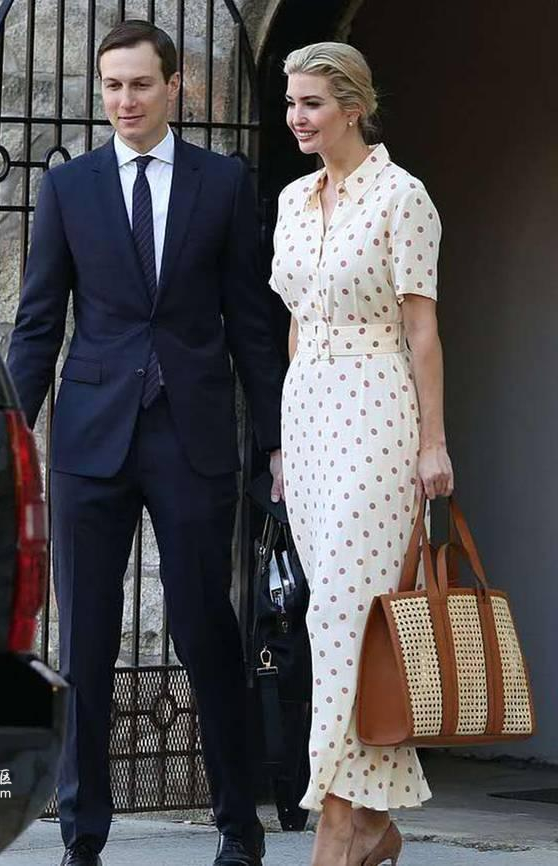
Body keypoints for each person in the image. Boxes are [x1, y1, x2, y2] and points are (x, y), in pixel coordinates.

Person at [8, 19, 284, 866]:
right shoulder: (70, 188)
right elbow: (38, 323)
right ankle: (82, 834)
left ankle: (238, 827)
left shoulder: (222, 183)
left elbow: (253, 325)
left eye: (138, 85)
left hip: (192, 438)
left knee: (205, 630)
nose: (124, 101)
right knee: (85, 642)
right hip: (90, 443)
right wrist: (9, 438)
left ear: (174, 88)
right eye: (112, 86)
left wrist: (277, 442)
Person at [269, 42, 453, 866]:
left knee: (348, 613)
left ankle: (339, 822)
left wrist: (433, 443)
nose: (297, 118)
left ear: (354, 107)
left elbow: (423, 330)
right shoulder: (293, 200)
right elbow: (297, 320)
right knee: (336, 617)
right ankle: (375, 821)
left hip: (378, 408)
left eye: (311, 103)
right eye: (290, 103)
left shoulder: (403, 196)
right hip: (309, 414)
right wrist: (287, 441)